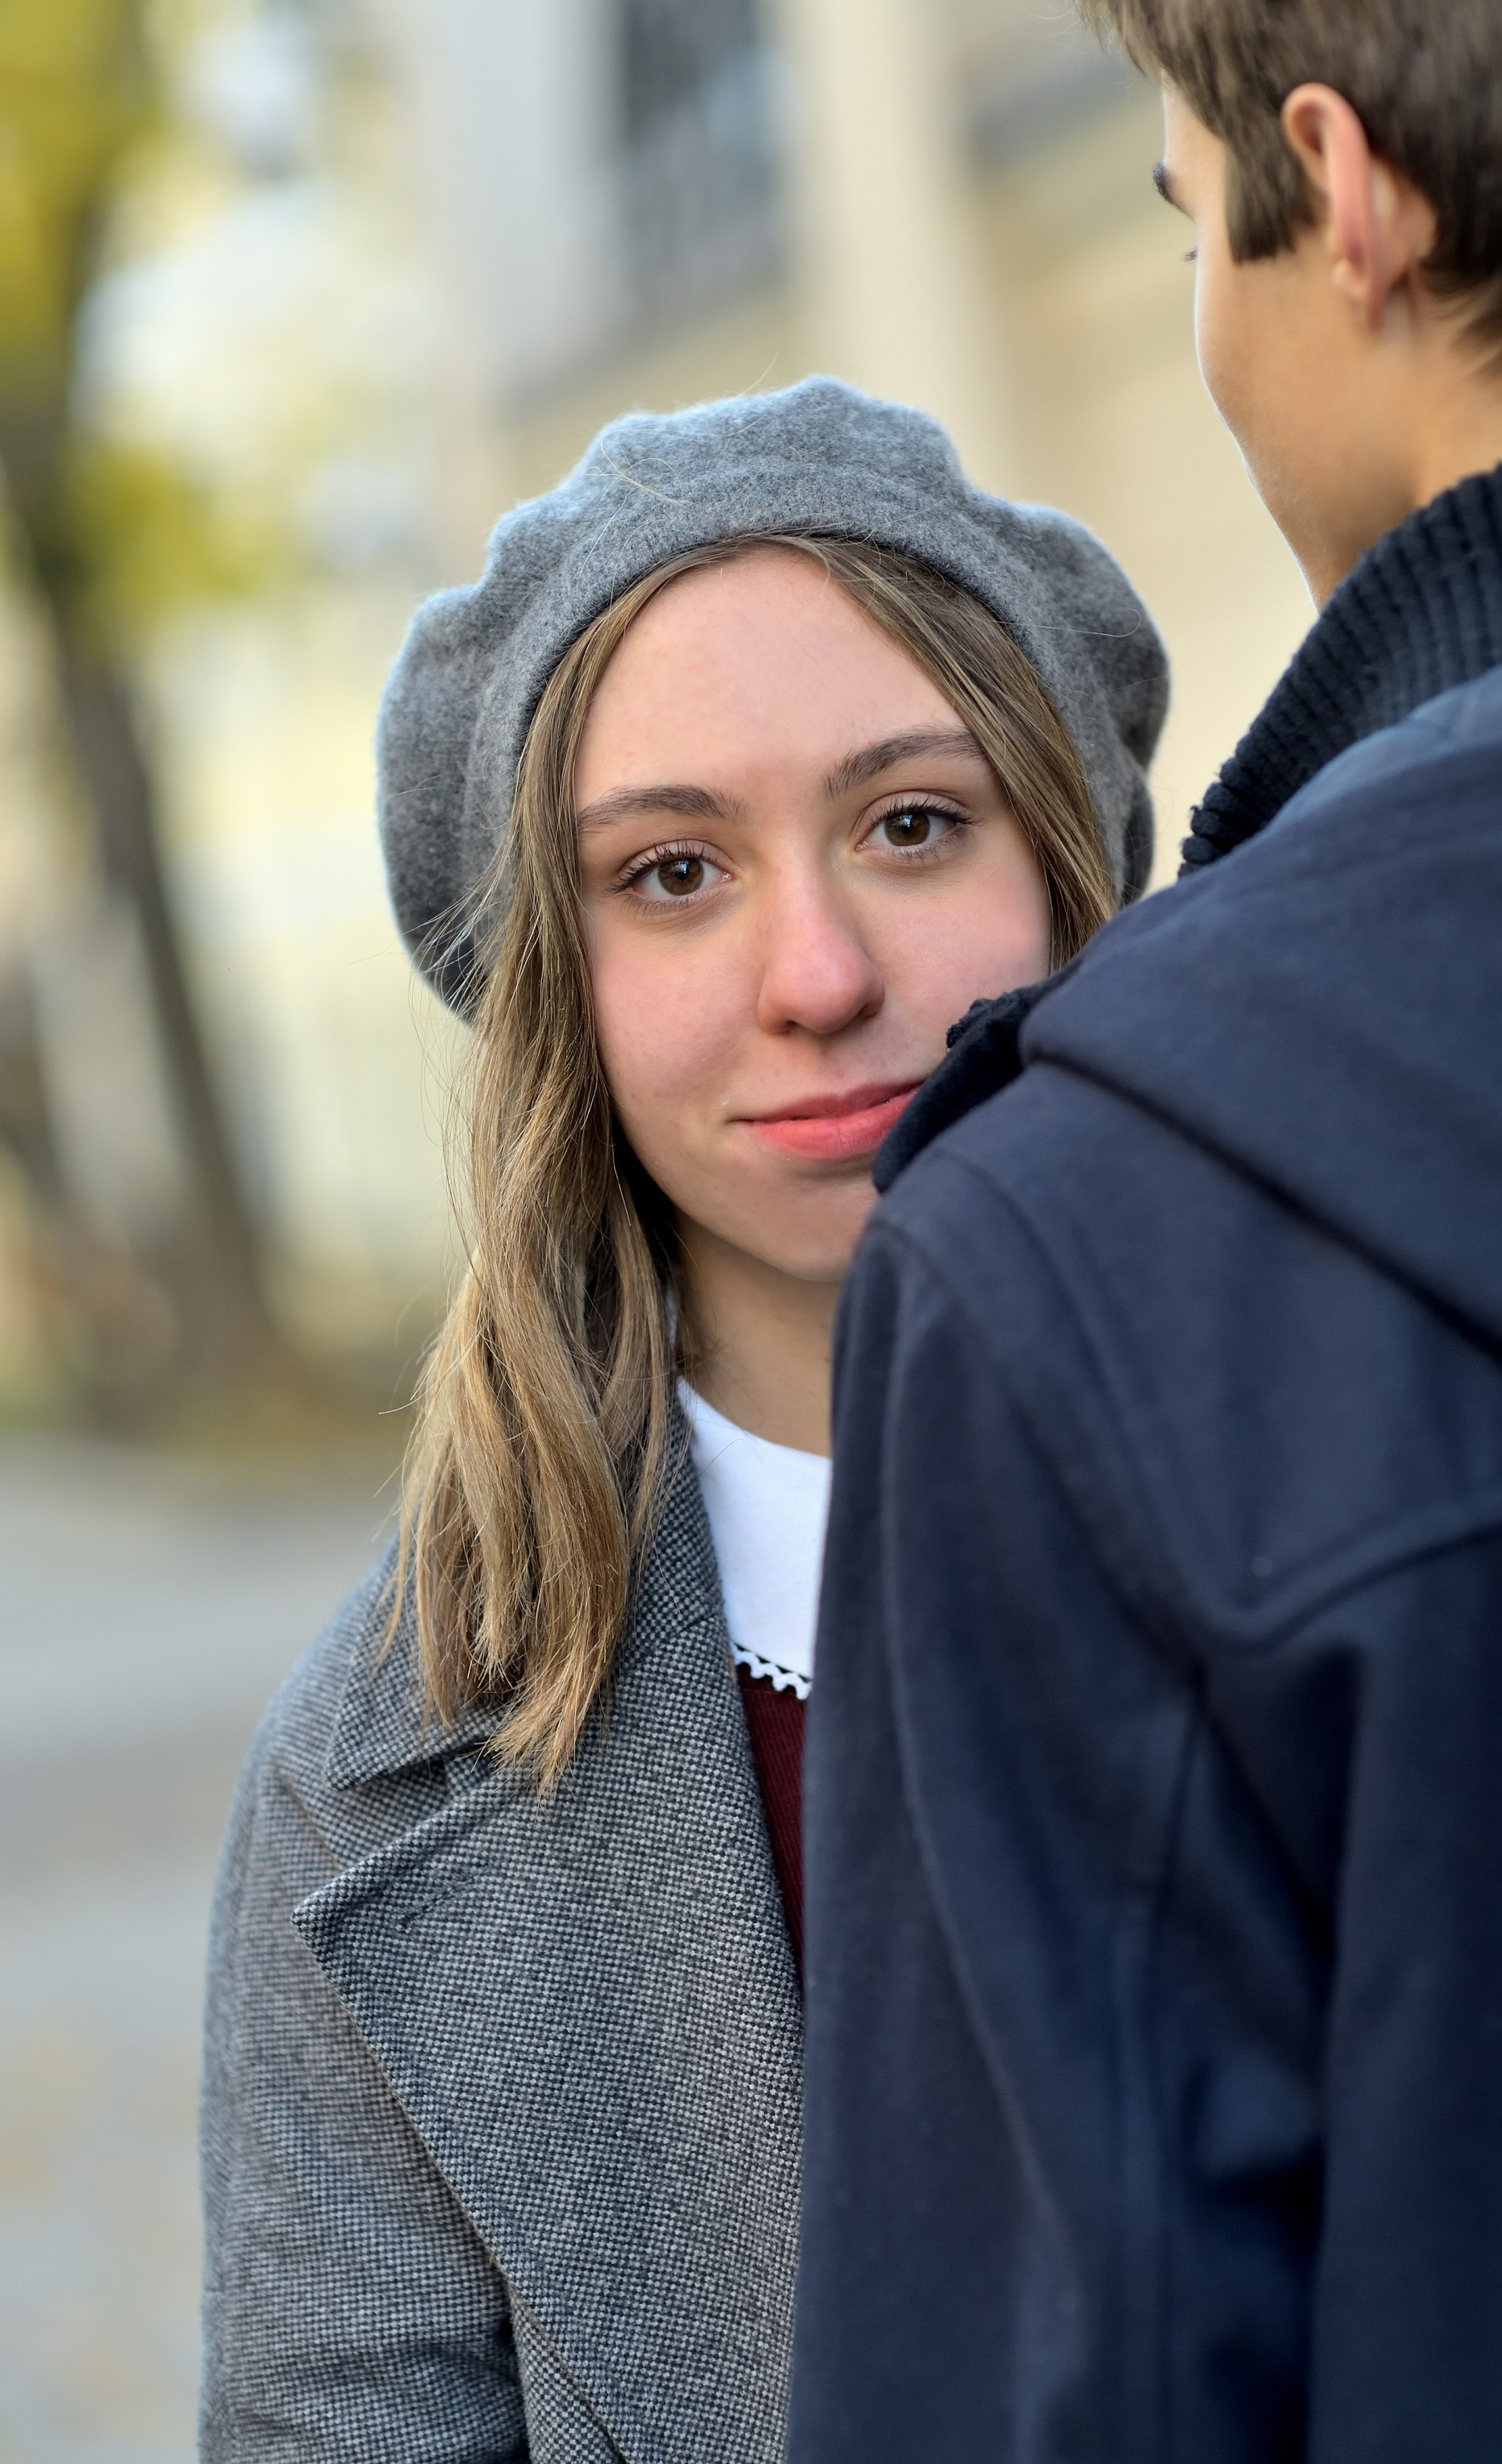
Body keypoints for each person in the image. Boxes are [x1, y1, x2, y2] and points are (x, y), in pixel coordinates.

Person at [197, 377, 1165, 2461]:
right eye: (669, 874)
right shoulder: (366, 1790)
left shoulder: (1386, 1530)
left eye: (913, 824)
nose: (813, 973)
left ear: (1071, 866)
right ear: (560, 986)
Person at [790, 7, 1502, 2462]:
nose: (813, 971)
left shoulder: (1091, 1239)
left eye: (1195, 225)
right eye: (668, 871)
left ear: (1350, 193)